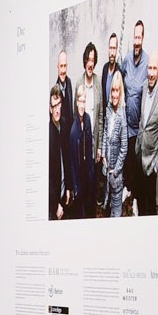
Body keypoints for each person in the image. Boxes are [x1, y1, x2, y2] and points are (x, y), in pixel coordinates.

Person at [121, 19, 150, 212]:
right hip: (127, 125)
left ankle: (137, 201)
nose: (136, 41)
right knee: (128, 163)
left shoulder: (147, 62)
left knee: (138, 167)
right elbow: (120, 78)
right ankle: (128, 193)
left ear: (143, 38)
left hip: (139, 128)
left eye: (139, 37)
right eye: (135, 37)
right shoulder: (126, 59)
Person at [137, 55, 158, 216]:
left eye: (154, 68)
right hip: (139, 155)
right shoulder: (145, 86)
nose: (151, 73)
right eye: (149, 68)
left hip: (151, 164)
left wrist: (156, 165)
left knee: (150, 207)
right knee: (140, 202)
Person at [102, 71, 127, 217]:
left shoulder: (122, 116)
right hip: (107, 168)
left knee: (116, 211)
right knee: (108, 202)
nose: (114, 94)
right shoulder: (108, 109)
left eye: (117, 90)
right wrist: (104, 155)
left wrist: (116, 171)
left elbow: (124, 148)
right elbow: (106, 133)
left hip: (116, 173)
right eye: (113, 90)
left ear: (121, 92)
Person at [66, 86, 94, 218]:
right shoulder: (73, 131)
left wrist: (91, 173)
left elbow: (90, 148)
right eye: (80, 101)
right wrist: (75, 186)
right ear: (76, 103)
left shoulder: (88, 119)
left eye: (84, 101)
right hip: (79, 175)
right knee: (81, 211)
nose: (82, 105)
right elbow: (72, 163)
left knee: (90, 207)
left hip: (88, 172)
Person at [48, 86, 66, 220]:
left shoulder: (63, 126)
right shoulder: (49, 135)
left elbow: (66, 159)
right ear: (50, 108)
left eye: (58, 104)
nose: (57, 110)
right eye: (54, 106)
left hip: (63, 194)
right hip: (55, 203)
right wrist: (55, 205)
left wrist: (68, 188)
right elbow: (48, 178)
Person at [52, 51, 74, 144]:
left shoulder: (69, 82)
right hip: (61, 141)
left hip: (70, 138)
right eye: (61, 66)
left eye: (65, 66)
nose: (63, 70)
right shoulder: (55, 92)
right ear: (57, 66)